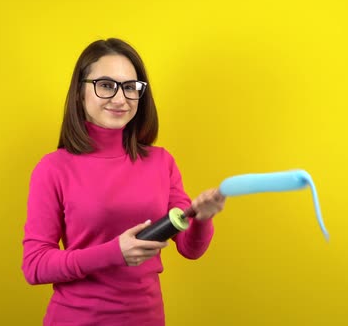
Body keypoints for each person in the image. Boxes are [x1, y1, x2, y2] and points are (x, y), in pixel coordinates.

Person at [21, 38, 226, 326]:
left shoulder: (161, 162)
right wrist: (114, 253)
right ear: (80, 92)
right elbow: (35, 266)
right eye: (106, 85)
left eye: (130, 87)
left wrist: (203, 218)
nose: (121, 99)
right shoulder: (53, 168)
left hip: (147, 318)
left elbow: (190, 249)